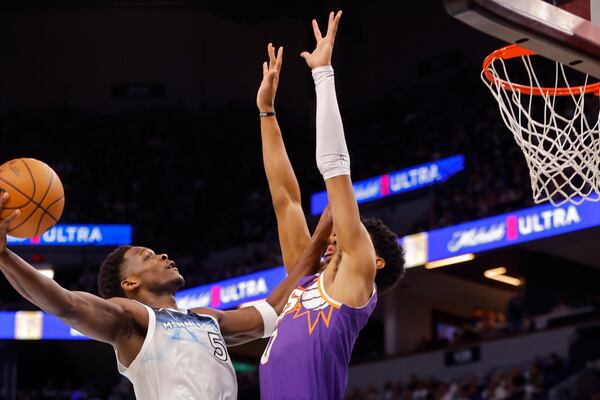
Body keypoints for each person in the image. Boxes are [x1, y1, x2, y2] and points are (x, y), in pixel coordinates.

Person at [0, 192, 332, 400]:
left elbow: (276, 307)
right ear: (129, 284)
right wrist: (4, 256)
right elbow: (66, 304)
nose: (163, 256)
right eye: (148, 256)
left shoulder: (207, 317)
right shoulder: (131, 320)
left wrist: (322, 232)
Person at [257, 11, 405, 399]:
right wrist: (267, 112)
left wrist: (323, 75)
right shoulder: (301, 281)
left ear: (374, 261)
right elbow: (285, 200)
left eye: (352, 232)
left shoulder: (356, 281)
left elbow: (336, 169)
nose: (338, 231)